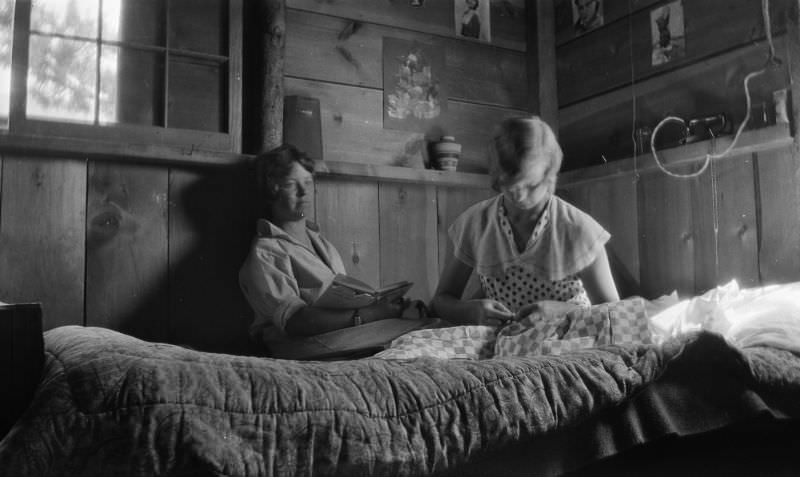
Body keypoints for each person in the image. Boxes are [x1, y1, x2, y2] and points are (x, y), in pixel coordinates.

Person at [239, 144, 439, 360]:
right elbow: (295, 322)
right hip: (298, 344)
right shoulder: (267, 251)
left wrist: (379, 304)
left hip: (338, 333)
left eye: (307, 182)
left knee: (431, 327)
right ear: (272, 189)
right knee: (426, 332)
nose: (304, 192)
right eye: (291, 184)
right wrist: (371, 315)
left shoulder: (321, 242)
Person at [430, 116, 619, 326]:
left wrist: (563, 312)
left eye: (530, 186)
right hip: (503, 342)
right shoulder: (476, 223)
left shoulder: (578, 229)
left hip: (567, 342)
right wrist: (469, 310)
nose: (519, 196)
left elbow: (614, 312)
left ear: (550, 177)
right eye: (509, 185)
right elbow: (440, 302)